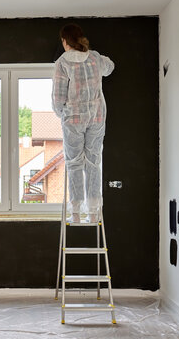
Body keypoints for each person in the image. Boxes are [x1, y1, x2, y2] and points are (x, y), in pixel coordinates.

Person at [52, 24, 114, 223]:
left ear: (65, 41)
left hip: (74, 119)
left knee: (74, 163)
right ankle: (94, 212)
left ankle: (76, 213)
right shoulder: (95, 58)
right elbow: (110, 67)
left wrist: (62, 114)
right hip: (96, 116)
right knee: (93, 162)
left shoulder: (63, 62)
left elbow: (58, 96)